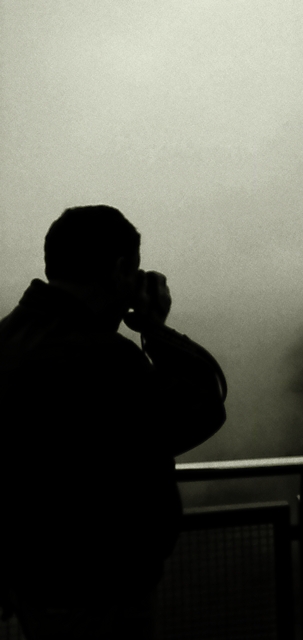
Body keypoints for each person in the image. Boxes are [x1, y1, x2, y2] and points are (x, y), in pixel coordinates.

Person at [0, 205, 227, 639]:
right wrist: (153, 327)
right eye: (133, 270)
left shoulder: (8, 336)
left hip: (36, 582)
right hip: (98, 589)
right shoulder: (101, 356)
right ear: (121, 267)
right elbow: (201, 408)